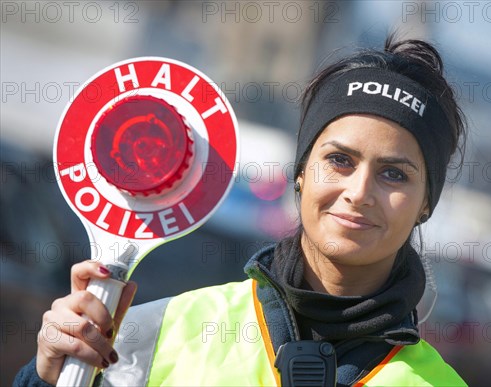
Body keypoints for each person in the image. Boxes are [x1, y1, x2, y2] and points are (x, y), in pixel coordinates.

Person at [15, 35, 467, 386]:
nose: (359, 191)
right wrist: (48, 375)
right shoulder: (155, 333)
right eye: (339, 160)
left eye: (394, 174)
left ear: (426, 202)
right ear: (301, 172)